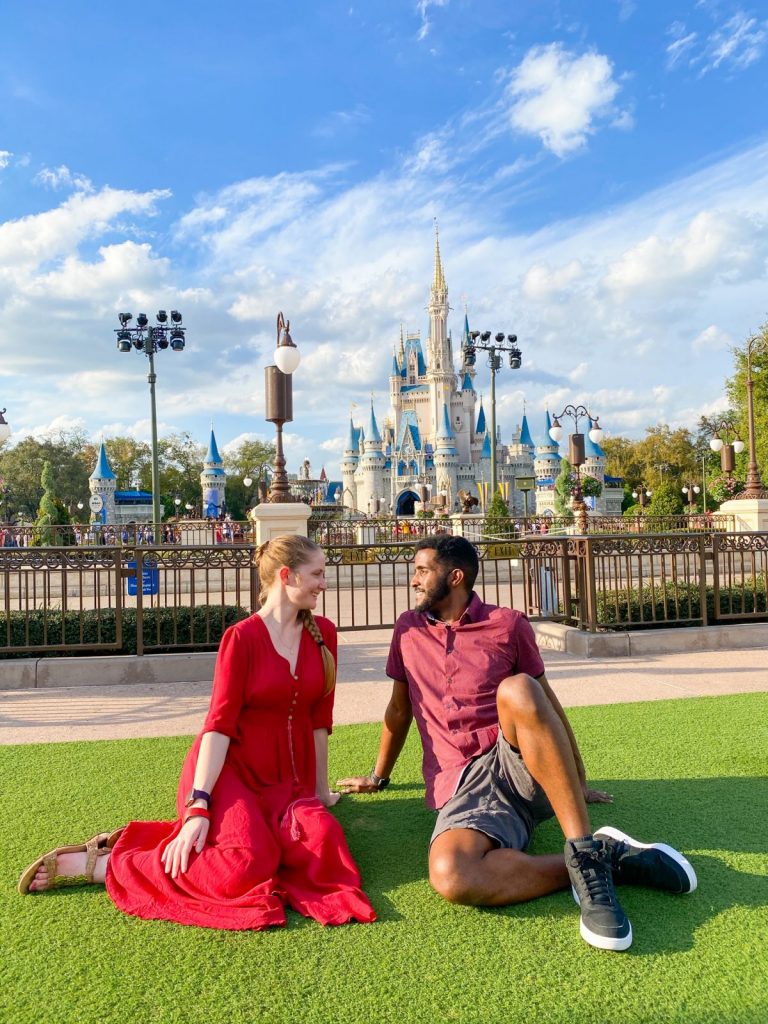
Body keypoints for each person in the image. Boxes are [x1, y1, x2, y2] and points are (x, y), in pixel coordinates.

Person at [338, 535, 695, 952]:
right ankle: (609, 859)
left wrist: (577, 779)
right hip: (460, 786)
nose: (413, 580)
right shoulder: (408, 629)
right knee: (454, 874)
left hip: (519, 765)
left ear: (455, 577)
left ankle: (581, 848)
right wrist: (378, 776)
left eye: (421, 571)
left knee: (519, 689)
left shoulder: (507, 624)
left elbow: (546, 703)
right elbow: (399, 710)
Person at [19, 534, 376, 931]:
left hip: (287, 783)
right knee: (246, 863)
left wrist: (319, 793)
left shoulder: (323, 632)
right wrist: (199, 806)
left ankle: (129, 840)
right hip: (229, 774)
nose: (324, 584)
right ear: (286, 576)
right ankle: (108, 864)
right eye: (317, 574)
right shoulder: (241, 638)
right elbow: (218, 727)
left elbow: (318, 719)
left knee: (324, 844)